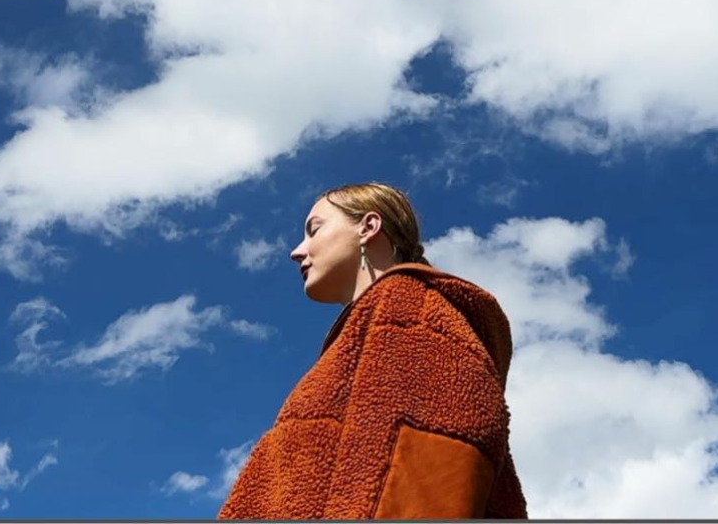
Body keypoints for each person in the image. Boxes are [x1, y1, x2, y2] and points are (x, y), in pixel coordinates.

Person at [218, 182, 526, 519]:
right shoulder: (370, 329)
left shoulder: (411, 313)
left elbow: (414, 476)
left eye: (313, 230)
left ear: (368, 227)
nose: (297, 251)